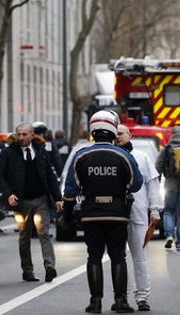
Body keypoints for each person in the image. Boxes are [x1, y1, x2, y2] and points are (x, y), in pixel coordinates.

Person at [63, 110, 143, 313]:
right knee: (118, 257)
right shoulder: (123, 155)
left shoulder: (81, 156)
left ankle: (95, 302)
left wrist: (68, 212)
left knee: (94, 257)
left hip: (91, 213)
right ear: (113, 130)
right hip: (117, 212)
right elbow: (136, 185)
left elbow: (70, 190)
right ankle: (121, 301)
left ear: (93, 130)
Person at [0, 122, 62, 283]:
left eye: (25, 134)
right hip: (21, 202)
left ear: (32, 135)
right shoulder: (8, 153)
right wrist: (9, 194)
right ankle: (28, 271)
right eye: (19, 134)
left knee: (43, 232)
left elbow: (50, 176)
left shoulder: (40, 151)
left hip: (41, 200)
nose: (22, 137)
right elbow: (0, 176)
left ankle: (49, 267)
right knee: (24, 236)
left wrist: (58, 198)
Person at [114, 124, 163, 311]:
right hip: (116, 213)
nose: (118, 136)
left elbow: (152, 184)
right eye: (115, 134)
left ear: (129, 134)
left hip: (137, 212)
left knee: (140, 257)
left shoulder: (142, 157)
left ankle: (142, 296)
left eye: (121, 133)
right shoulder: (110, 156)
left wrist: (155, 209)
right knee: (118, 258)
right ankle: (121, 297)